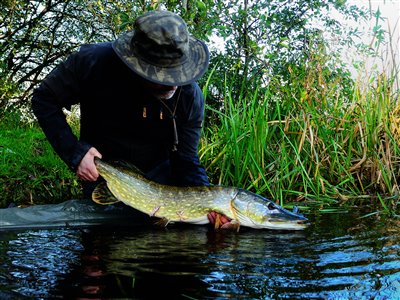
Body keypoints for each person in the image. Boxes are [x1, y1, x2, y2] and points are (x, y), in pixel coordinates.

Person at [32, 9, 230, 227]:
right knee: (98, 253)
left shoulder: (190, 97)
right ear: (136, 64)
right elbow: (44, 98)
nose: (173, 83)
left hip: (160, 181)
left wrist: (211, 205)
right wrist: (74, 152)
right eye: (160, 73)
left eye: (177, 71)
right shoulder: (93, 63)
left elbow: (186, 160)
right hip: (105, 174)